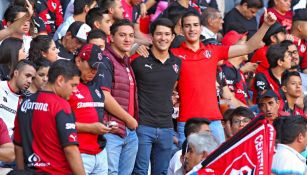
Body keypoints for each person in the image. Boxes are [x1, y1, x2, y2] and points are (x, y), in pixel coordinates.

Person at [170, 9, 276, 145]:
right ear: (181, 30)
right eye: (187, 25)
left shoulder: (212, 50)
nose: (192, 29)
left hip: (214, 122)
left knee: (219, 166)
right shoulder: (174, 54)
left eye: (195, 25)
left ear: (201, 28)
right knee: (188, 164)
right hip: (187, 122)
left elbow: (249, 47)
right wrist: (136, 48)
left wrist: (266, 25)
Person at [13, 59, 85, 174]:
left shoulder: (24, 103)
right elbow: (71, 149)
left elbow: (18, 146)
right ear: (60, 80)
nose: (75, 90)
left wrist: (22, 172)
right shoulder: (61, 106)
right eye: (73, 85)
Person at [131, 18, 181, 175]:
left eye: (167, 34)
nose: (163, 38)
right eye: (159, 34)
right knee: (140, 172)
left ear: (173, 37)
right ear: (151, 36)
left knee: (161, 172)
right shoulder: (138, 60)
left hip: (166, 127)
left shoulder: (177, 62)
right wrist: (135, 48)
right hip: (143, 125)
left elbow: (172, 87)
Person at [93, 19, 138, 175]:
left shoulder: (125, 60)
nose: (127, 39)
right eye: (122, 35)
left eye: (131, 35)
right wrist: (129, 119)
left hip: (128, 132)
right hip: (112, 130)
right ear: (110, 37)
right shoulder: (106, 60)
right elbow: (104, 96)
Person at [69, 44, 112, 174]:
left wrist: (105, 126)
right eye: (91, 65)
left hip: (99, 151)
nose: (94, 70)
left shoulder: (95, 86)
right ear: (78, 61)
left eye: (97, 66)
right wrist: (90, 128)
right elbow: (57, 123)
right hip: (78, 152)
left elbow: (92, 117)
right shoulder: (67, 86)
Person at [0, 60, 36, 137]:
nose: (30, 81)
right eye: (27, 75)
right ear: (16, 73)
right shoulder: (1, 87)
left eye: (32, 78)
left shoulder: (27, 100)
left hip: (11, 142)